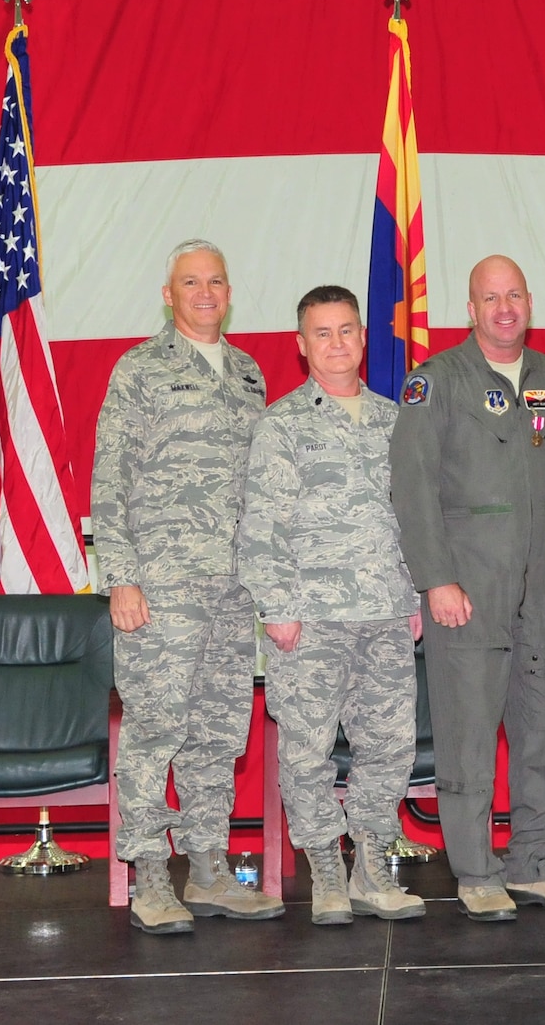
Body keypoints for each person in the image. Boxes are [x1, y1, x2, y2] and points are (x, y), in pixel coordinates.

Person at [389, 255, 545, 922]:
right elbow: (413, 485)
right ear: (471, 309)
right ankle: (477, 871)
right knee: (469, 733)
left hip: (538, 583)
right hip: (467, 586)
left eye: (513, 296)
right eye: (490, 297)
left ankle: (537, 863)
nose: (503, 308)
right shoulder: (437, 383)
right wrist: (436, 579)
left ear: (527, 303)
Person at [92, 239, 284, 933]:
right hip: (162, 588)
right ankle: (149, 875)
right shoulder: (139, 371)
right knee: (154, 731)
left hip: (234, 593)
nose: (205, 292)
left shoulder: (248, 375)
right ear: (168, 295)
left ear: (229, 293)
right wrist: (121, 578)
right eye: (190, 282)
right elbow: (109, 478)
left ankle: (207, 872)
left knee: (216, 734)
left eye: (216, 281)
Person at [236, 286, 426, 926]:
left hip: (386, 615)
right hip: (309, 620)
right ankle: (325, 873)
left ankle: (370, 868)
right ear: (301, 344)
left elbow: (414, 519)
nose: (337, 343)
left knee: (388, 747)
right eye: (323, 333)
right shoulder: (282, 424)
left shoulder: (395, 420)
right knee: (307, 750)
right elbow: (260, 529)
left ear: (363, 337)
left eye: (347, 330)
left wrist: (415, 593)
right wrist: (278, 607)